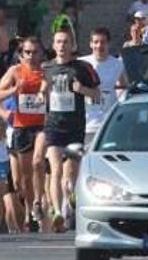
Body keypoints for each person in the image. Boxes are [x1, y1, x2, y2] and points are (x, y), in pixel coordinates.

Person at [38, 30, 101, 232]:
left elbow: (97, 95)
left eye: (65, 42)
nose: (62, 46)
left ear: (72, 45)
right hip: (54, 126)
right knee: (55, 169)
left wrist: (81, 90)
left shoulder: (82, 68)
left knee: (70, 173)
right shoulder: (47, 67)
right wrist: (41, 95)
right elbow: (43, 87)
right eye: (58, 42)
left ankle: (70, 197)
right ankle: (57, 212)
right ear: (54, 45)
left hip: (74, 127)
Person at [0, 37, 47, 232]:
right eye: (28, 52)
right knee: (24, 178)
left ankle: (39, 201)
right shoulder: (15, 71)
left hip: (43, 125)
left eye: (35, 52)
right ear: (22, 54)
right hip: (22, 127)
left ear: (41, 53)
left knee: (38, 162)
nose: (31, 56)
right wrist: (9, 107)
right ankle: (32, 208)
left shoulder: (47, 71)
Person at [80, 27, 128, 146]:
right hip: (86, 122)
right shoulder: (81, 63)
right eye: (96, 42)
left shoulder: (117, 64)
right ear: (91, 44)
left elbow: (124, 86)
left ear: (108, 44)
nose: (99, 46)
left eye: (103, 42)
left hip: (108, 121)